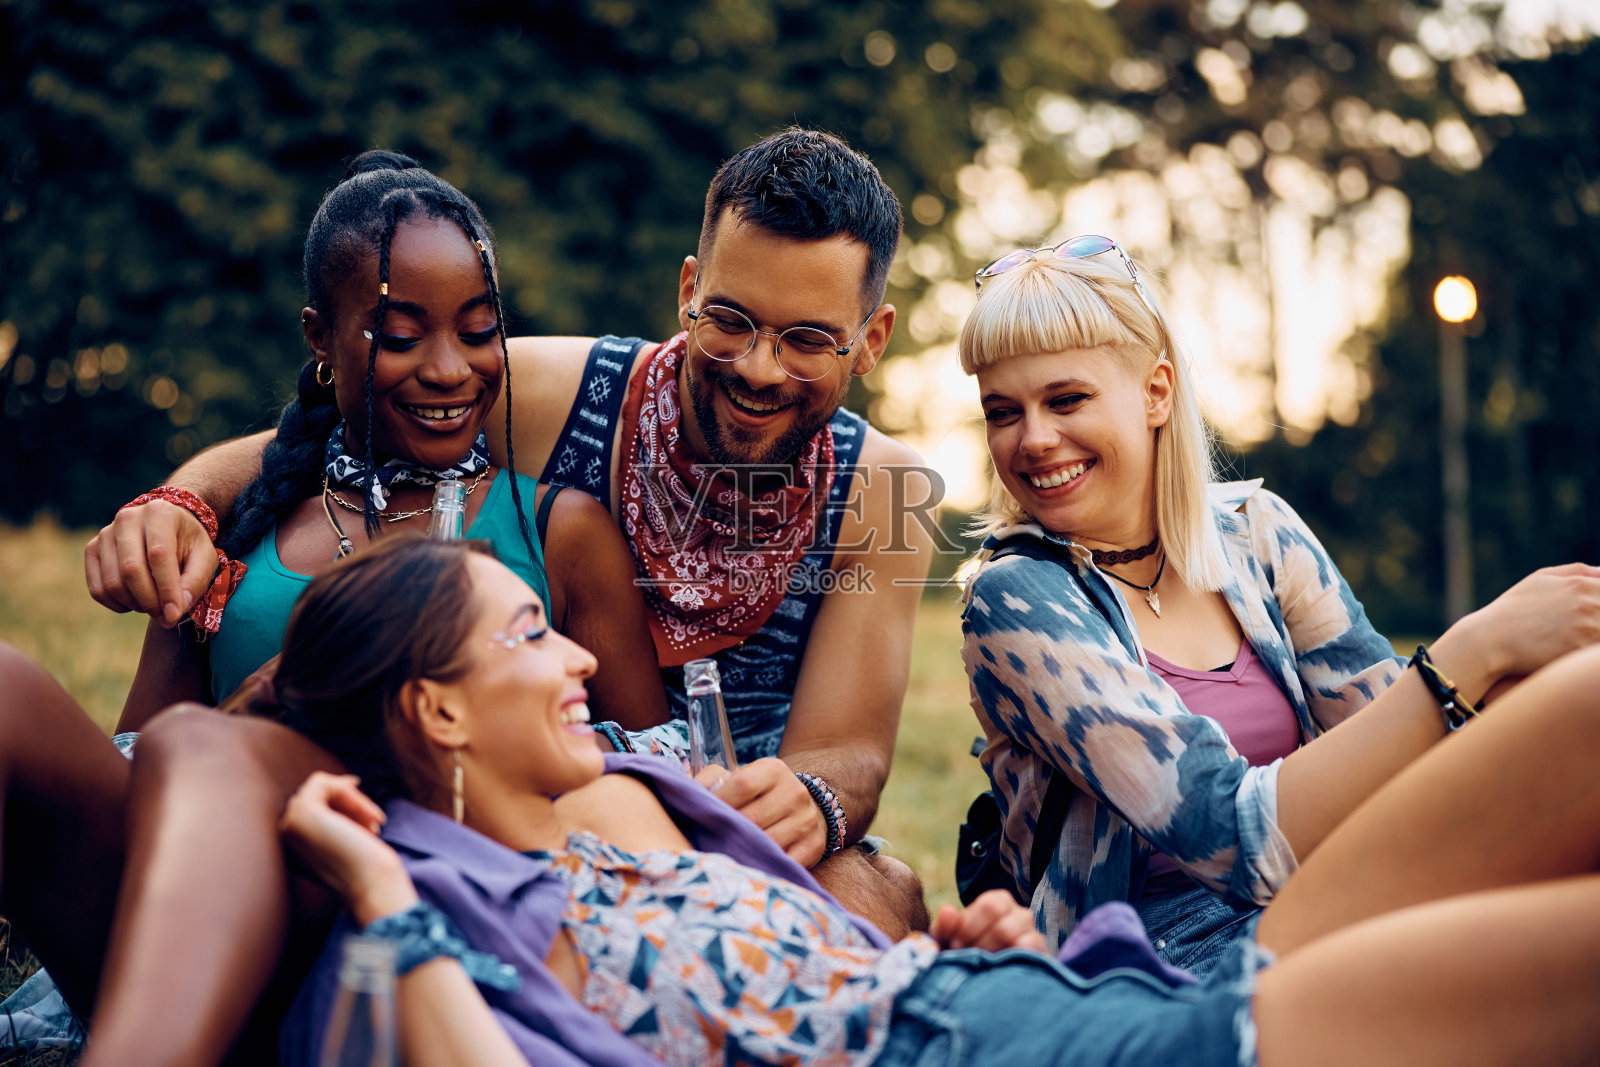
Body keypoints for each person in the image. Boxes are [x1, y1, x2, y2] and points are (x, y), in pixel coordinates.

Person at [278, 536, 1600, 1067]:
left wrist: (931, 941)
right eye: (525, 636)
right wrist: (382, 886)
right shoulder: (427, 926)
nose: (576, 654)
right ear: (437, 708)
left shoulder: (632, 795)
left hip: (1070, 995)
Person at [85, 128, 937, 889]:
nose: (758, 366)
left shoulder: (885, 490)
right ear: (688, 288)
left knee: (880, 893)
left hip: (740, 834)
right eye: (731, 319)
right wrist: (184, 499)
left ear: (870, 339)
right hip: (514, 802)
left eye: (808, 339)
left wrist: (814, 799)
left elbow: (854, 748)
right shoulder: (560, 393)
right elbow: (341, 419)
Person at [0, 150, 665, 1066]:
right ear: (321, 335)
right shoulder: (247, 522)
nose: (449, 369)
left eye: (478, 331)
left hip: (384, 901)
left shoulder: (556, 528)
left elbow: (658, 773)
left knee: (256, 764)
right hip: (179, 894)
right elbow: (141, 754)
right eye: (401, 334)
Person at [955, 235, 1600, 974]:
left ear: (1156, 391)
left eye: (1066, 399)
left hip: (1334, 896)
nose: (1033, 439)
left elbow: (1398, 740)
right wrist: (1473, 650)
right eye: (1003, 411)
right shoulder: (1016, 598)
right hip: (1162, 960)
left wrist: (1525, 685)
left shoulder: (1257, 536)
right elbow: (1228, 835)